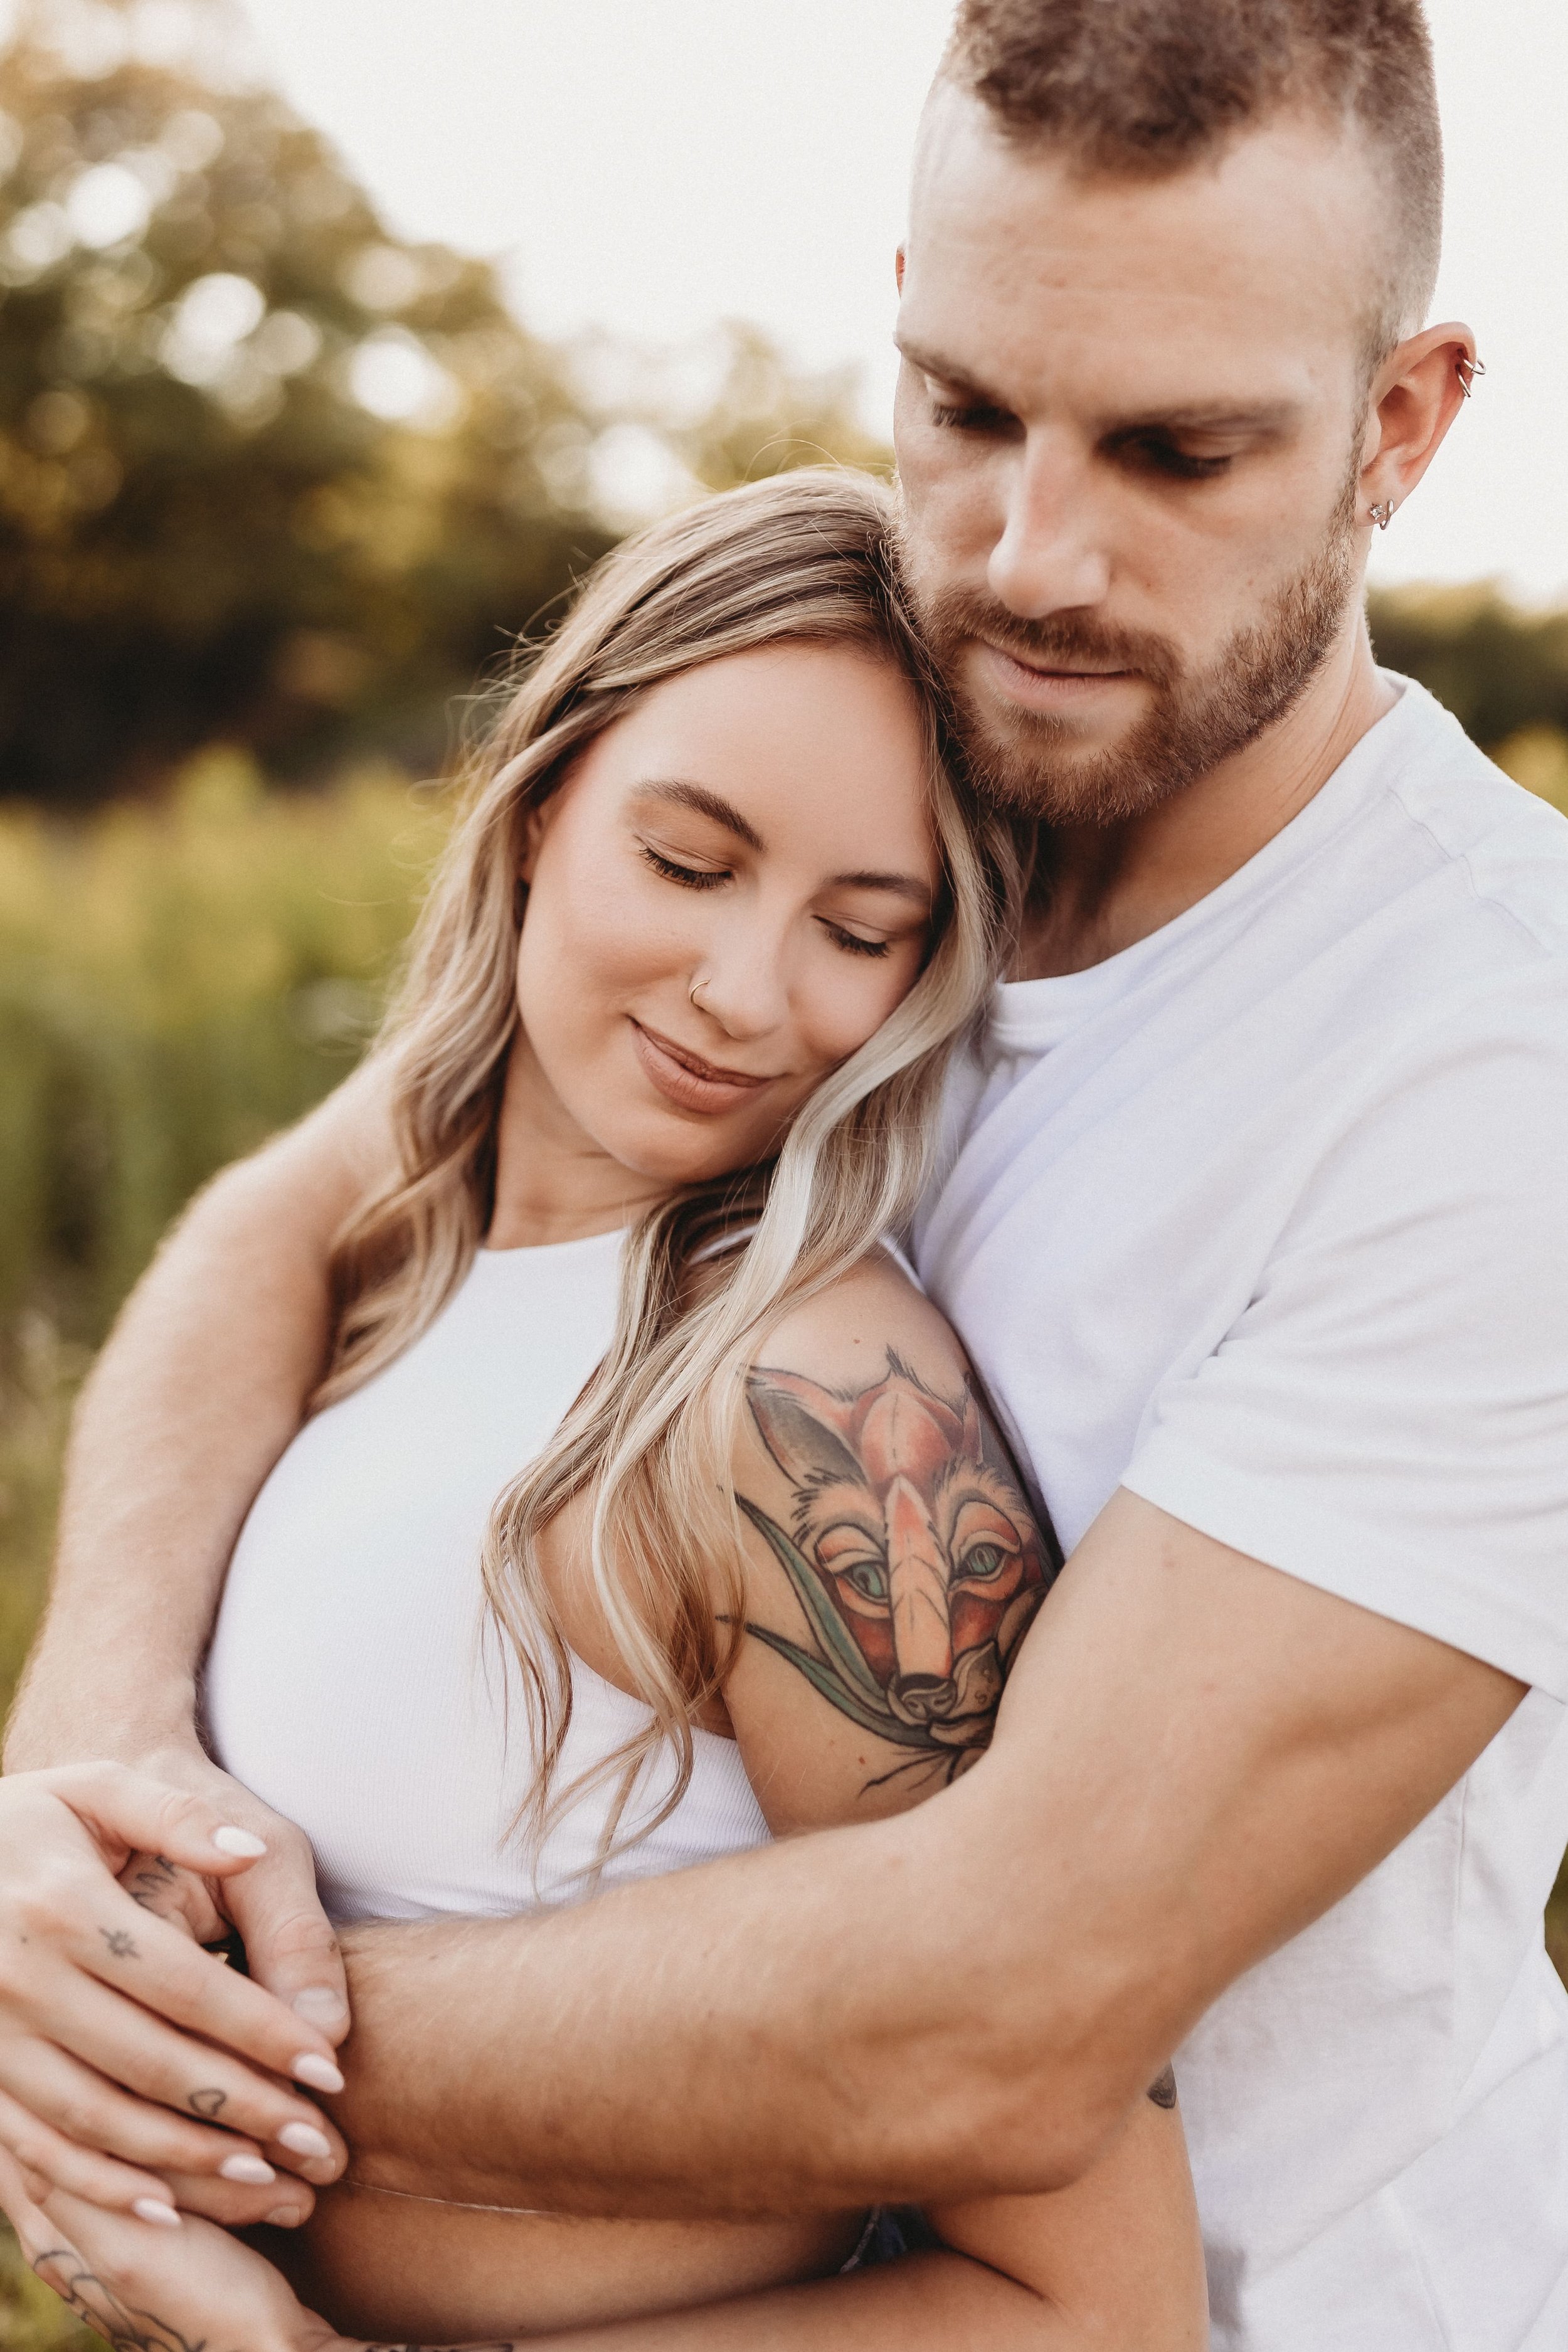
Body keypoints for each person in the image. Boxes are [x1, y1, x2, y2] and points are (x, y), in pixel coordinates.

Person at [3, 1, 1565, 2344]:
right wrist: (89, 1767)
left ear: (1401, 427)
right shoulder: (875, 810)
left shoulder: (1486, 1067)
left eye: (1173, 449)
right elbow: (307, 1205)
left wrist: (169, 2049)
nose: (1032, 552)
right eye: (964, 409)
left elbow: (993, 2007)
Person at [0, 470, 1207, 2347]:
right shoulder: (394, 1253)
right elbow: (267, 1224)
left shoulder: (798, 1402)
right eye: (690, 861)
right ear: (548, 794)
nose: (743, 996)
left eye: (859, 928)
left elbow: (1086, 2311)